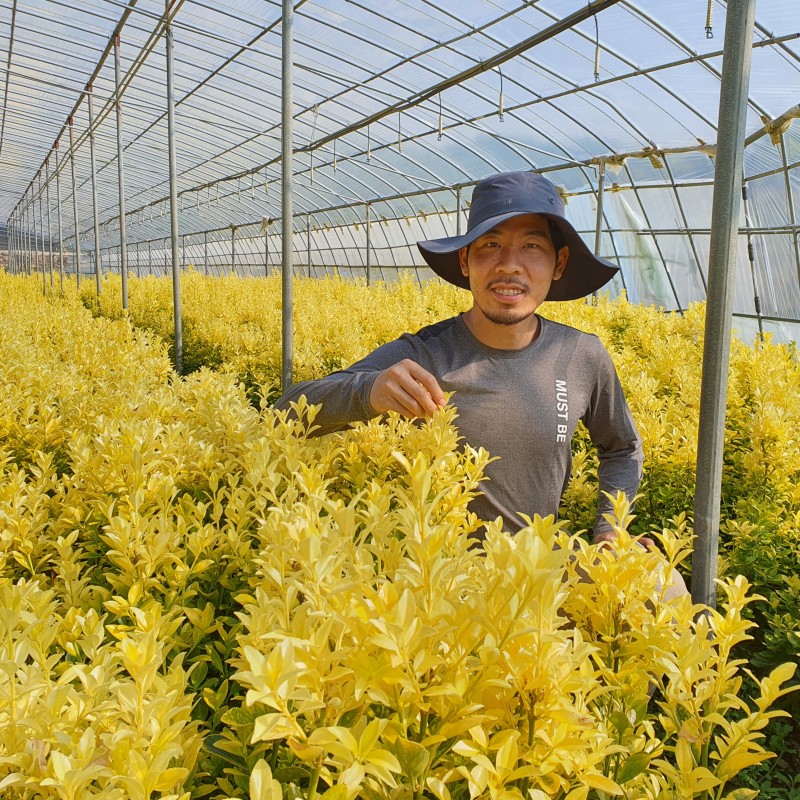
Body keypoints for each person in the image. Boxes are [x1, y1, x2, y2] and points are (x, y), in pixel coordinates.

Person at [275, 170, 643, 546]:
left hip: (537, 572)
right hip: (438, 572)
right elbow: (285, 413)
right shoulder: (424, 354)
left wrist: (610, 529)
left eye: (532, 246)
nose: (509, 265)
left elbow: (623, 447)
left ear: (559, 263)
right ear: (466, 260)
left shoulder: (582, 354)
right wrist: (370, 391)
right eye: (491, 244)